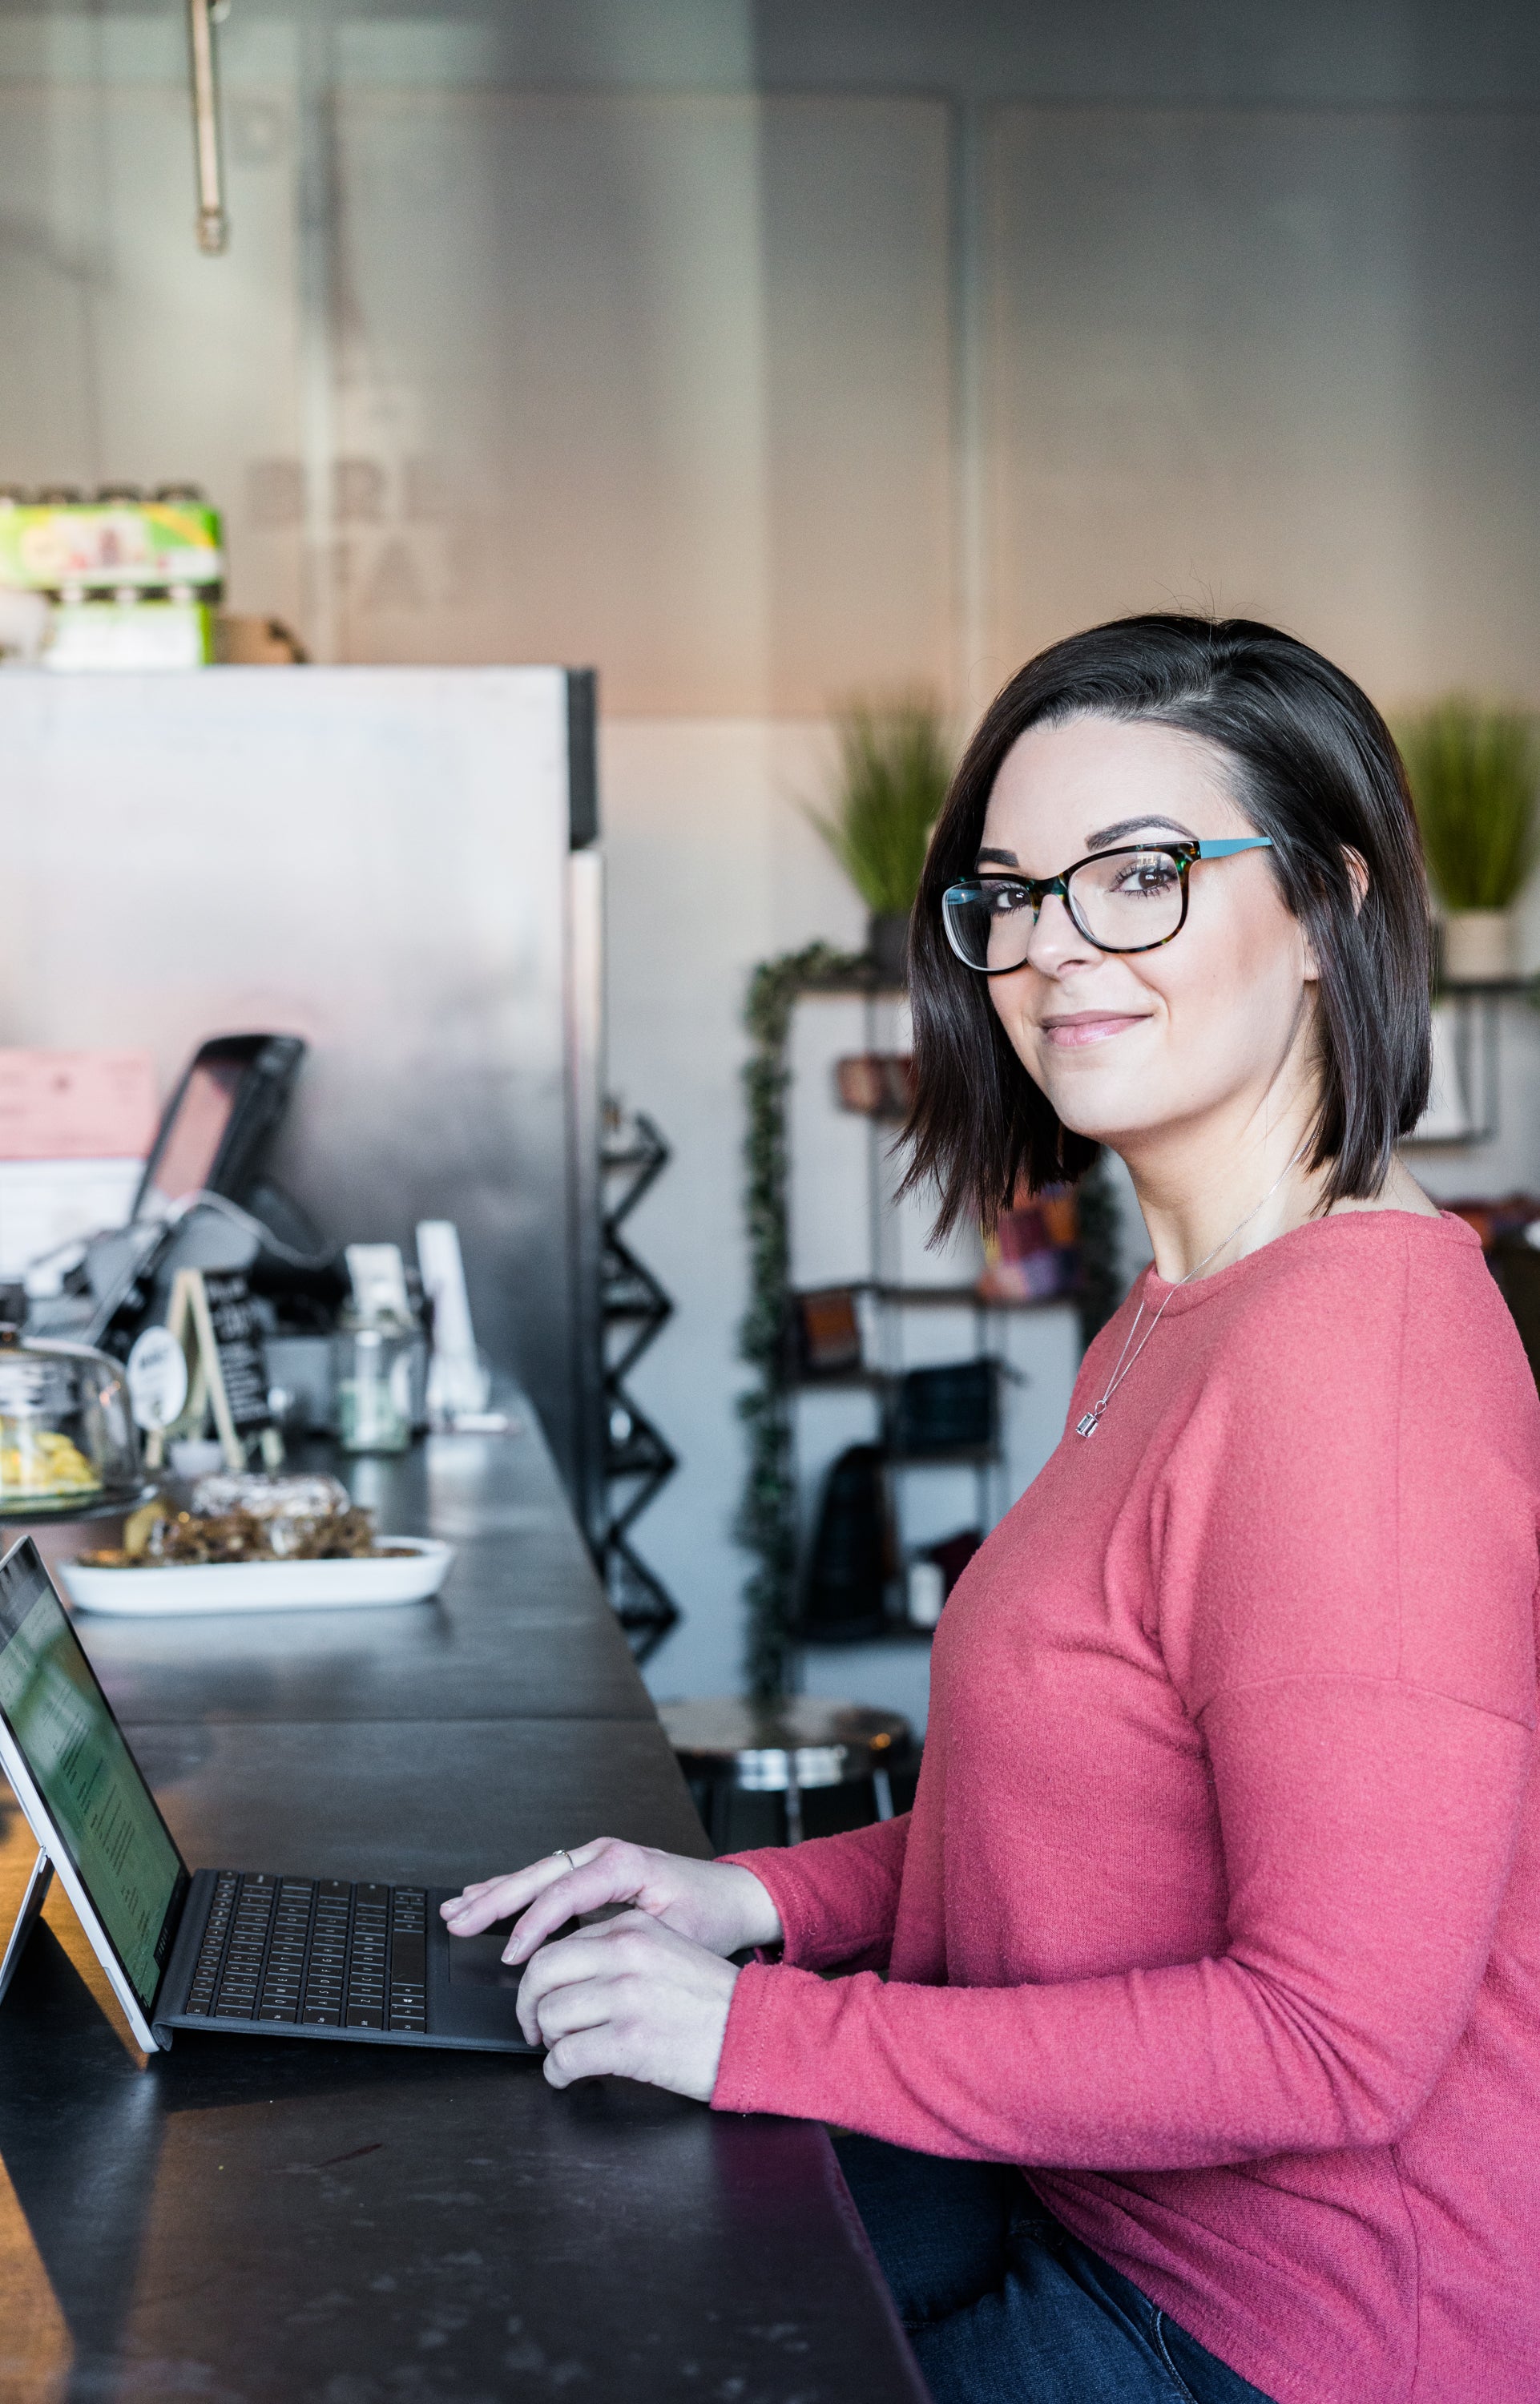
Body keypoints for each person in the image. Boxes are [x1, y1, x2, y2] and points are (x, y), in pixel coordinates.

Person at [442, 616, 1540, 2404]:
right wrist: (751, 1903)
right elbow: (1073, 1829)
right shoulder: (1186, 1308)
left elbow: (1331, 2046)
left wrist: (767, 2033)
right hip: (1089, 2218)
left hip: (1275, 2337)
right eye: (1010, 893)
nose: (1047, 950)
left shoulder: (1362, 1373)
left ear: (1330, 905)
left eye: (1137, 878)